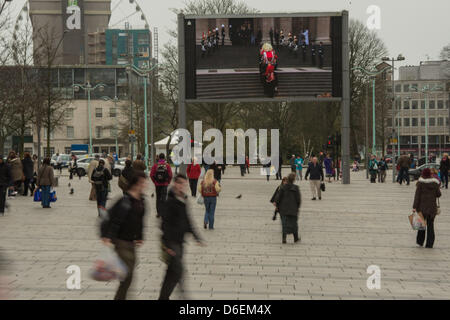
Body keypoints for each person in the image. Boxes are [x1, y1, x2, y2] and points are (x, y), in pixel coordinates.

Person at [101, 170, 147, 300]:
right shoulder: (124, 200)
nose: (145, 185)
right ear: (136, 184)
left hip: (132, 243)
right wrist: (106, 235)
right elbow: (109, 218)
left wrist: (140, 236)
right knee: (128, 274)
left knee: (128, 275)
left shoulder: (142, 201)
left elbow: (140, 221)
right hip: (121, 242)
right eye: (143, 182)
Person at [159, 174, 205, 300]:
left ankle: (163, 297)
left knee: (172, 273)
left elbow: (187, 220)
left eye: (184, 184)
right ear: (175, 184)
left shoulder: (183, 200)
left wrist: (196, 236)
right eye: (180, 184)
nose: (182, 187)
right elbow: (164, 224)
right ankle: (183, 296)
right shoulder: (170, 201)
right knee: (178, 271)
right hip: (171, 243)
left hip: (179, 242)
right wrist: (167, 245)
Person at [413, 168, 441, 248]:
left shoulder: (420, 183)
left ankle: (420, 241)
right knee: (430, 226)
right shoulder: (435, 183)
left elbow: (417, 196)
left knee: (421, 225)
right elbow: (439, 194)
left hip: (421, 208)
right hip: (432, 208)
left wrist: (414, 207)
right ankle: (429, 243)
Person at [275, 173, 301, 244]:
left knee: (284, 224)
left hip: (284, 209)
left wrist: (277, 205)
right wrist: (297, 207)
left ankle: (284, 239)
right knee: (294, 224)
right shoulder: (296, 188)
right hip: (293, 209)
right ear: (293, 180)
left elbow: (278, 197)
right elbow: (298, 199)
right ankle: (295, 238)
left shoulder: (283, 187)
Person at [150, 153, 173, 218]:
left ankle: (158, 213)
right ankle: (163, 212)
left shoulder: (155, 165)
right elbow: (170, 175)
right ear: (164, 158)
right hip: (164, 184)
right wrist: (168, 182)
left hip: (157, 184)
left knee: (158, 198)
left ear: (159, 158)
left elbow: (151, 175)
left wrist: (154, 182)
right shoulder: (167, 165)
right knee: (164, 198)